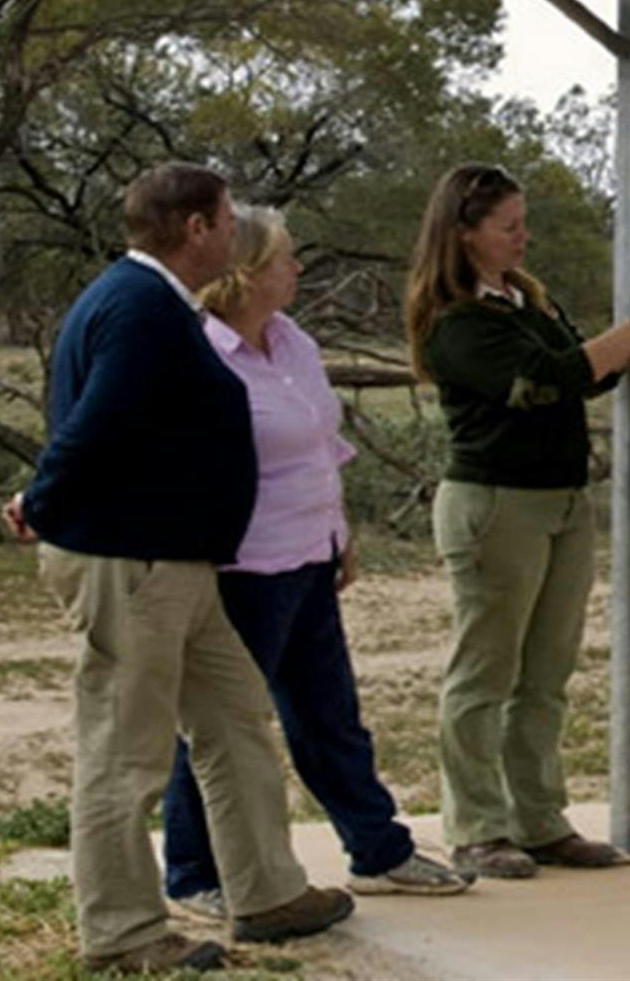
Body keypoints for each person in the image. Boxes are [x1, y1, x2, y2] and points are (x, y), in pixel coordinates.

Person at [2, 163, 352, 975]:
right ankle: (123, 935)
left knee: (235, 723)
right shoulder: (140, 310)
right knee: (125, 754)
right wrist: (43, 500)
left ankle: (266, 894)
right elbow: (97, 425)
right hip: (133, 564)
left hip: (182, 566)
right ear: (195, 228)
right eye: (228, 220)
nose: (235, 233)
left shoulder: (157, 305)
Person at [159, 204, 471, 916]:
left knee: (330, 715)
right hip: (243, 568)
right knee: (223, 724)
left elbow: (321, 444)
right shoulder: (199, 349)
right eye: (285, 259)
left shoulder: (293, 341)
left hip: (310, 554)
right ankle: (192, 872)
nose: (298, 269)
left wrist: (342, 534)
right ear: (245, 273)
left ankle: (378, 850)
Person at [404, 164, 630, 880]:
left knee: (545, 673)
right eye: (508, 227)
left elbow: (592, 373)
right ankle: (476, 826)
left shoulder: (523, 299)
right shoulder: (457, 320)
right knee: (484, 672)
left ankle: (538, 820)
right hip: (495, 505)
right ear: (464, 233)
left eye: (523, 223)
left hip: (562, 500)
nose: (523, 238)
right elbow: (550, 382)